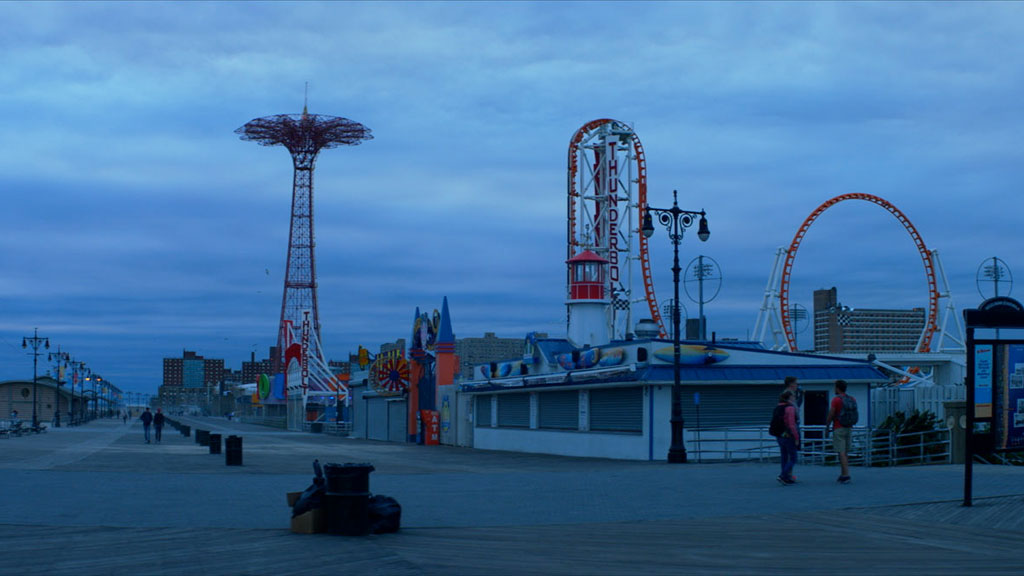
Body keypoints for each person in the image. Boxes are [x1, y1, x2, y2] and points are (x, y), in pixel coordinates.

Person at [826, 379, 853, 484]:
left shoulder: (836, 400)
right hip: (849, 427)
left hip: (838, 427)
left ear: (837, 388)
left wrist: (827, 426)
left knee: (841, 452)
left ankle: (846, 475)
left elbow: (831, 414)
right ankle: (843, 474)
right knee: (845, 452)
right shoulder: (851, 399)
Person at [773, 390, 800, 485]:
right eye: (793, 396)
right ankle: (783, 475)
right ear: (789, 398)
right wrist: (796, 437)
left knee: (784, 456)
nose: (794, 397)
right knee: (793, 458)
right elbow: (792, 424)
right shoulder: (790, 408)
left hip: (779, 435)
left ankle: (786, 477)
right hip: (788, 435)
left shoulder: (778, 406)